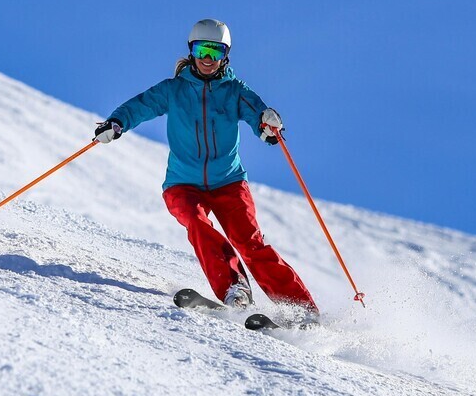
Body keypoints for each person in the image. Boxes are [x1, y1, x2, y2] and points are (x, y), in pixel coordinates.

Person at [94, 19, 318, 314]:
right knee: (198, 225)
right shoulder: (173, 90)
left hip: (229, 182)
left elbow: (257, 114)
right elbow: (140, 106)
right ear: (191, 51)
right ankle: (235, 289)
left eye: (215, 51)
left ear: (226, 55)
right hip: (183, 184)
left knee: (249, 242)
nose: (208, 59)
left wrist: (267, 126)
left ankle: (301, 309)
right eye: (202, 50)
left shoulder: (235, 91)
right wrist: (116, 122)